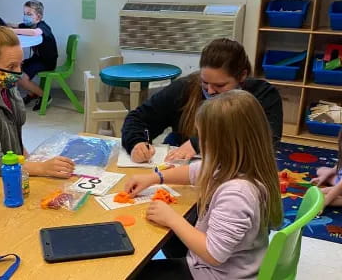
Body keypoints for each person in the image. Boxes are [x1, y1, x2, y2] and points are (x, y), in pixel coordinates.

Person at [124, 90, 283, 279]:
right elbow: (195, 172)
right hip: (233, 266)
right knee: (166, 237)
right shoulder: (243, 166)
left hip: (216, 274)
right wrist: (154, 177)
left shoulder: (237, 193)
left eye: (203, 139)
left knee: (132, 273)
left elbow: (214, 254)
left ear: (222, 144)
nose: (199, 145)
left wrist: (172, 219)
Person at [0, 11, 74, 193]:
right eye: (11, 67)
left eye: (20, 64)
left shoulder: (5, 83)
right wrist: (40, 168)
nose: (18, 73)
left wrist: (32, 163)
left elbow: (15, 136)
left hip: (11, 173)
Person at [121, 38, 283, 163]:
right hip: (182, 172)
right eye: (205, 83)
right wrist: (137, 143)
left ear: (242, 76)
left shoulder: (263, 95)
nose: (210, 91)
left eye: (220, 85)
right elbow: (138, 118)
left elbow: (265, 143)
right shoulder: (185, 88)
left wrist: (201, 143)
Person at [12, 0, 58, 111]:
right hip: (37, 59)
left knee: (22, 78)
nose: (25, 16)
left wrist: (12, 31)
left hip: (47, 62)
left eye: (29, 14)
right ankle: (33, 93)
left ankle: (45, 97)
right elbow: (14, 25)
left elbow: (35, 33)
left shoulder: (42, 26)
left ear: (38, 16)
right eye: (24, 13)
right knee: (15, 70)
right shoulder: (29, 25)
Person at [312, 129, 342, 207]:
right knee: (320, 170)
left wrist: (324, 203)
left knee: (323, 195)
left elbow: (340, 186)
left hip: (340, 184)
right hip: (339, 181)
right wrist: (323, 177)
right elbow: (337, 167)